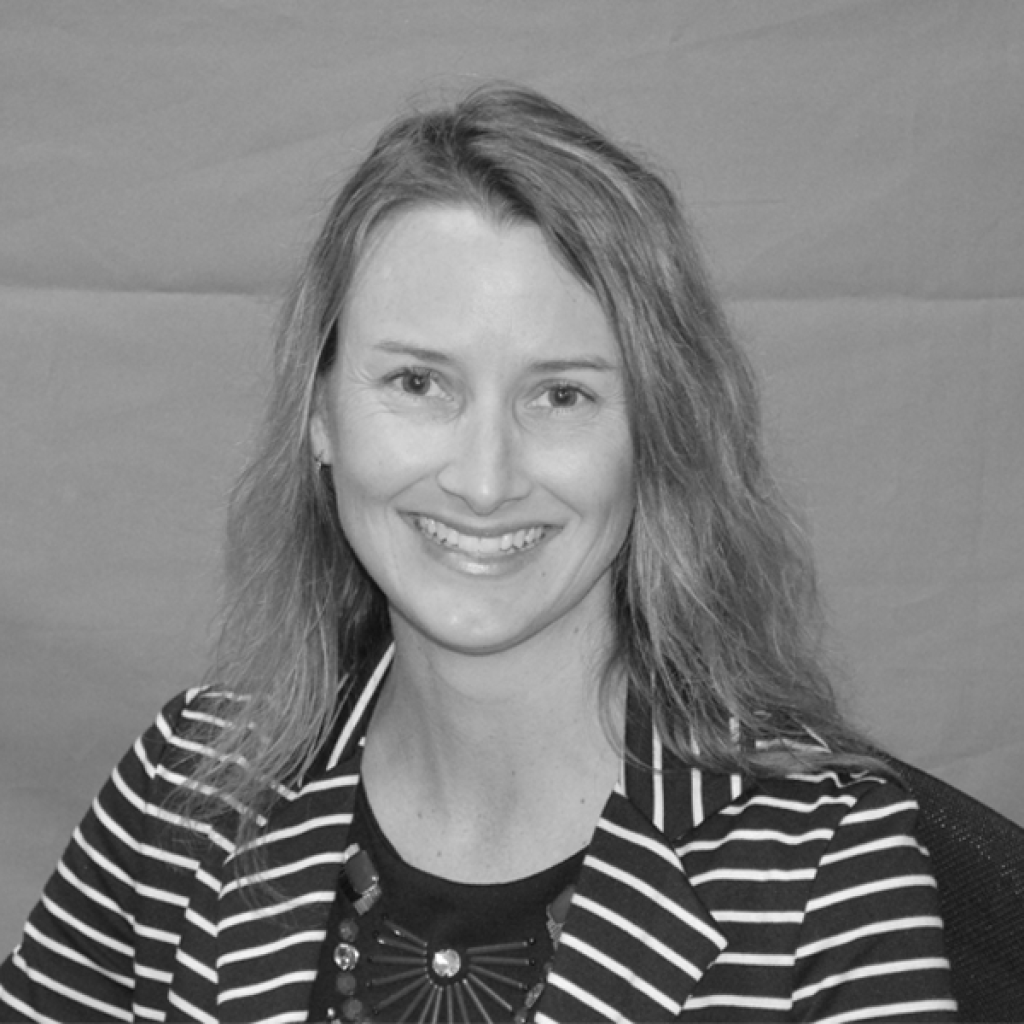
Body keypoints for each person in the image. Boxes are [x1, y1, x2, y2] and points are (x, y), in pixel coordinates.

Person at [0, 84, 957, 1024]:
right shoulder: (189, 785)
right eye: (418, 381)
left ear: (655, 435)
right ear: (320, 413)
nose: (486, 479)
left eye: (562, 396)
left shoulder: (825, 863)